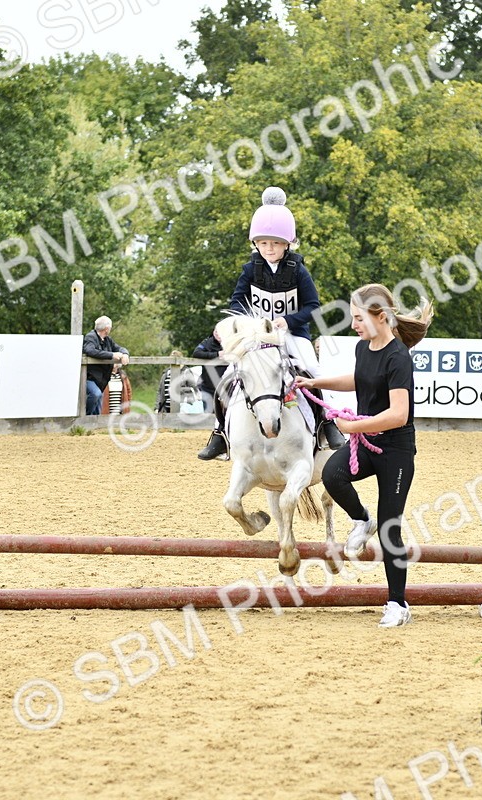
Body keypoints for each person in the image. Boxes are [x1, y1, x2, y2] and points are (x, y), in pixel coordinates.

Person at [294, 284, 433, 628]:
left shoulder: (398, 357)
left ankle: (397, 604)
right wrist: (315, 383)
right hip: (368, 443)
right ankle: (361, 519)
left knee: (390, 530)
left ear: (380, 317)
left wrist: (355, 426)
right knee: (332, 475)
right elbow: (359, 379)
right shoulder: (363, 347)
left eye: (358, 318)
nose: (354, 324)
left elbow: (399, 414)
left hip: (396, 451)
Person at [197, 186, 345, 459]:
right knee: (228, 376)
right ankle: (219, 433)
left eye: (275, 243)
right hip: (259, 337)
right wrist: (246, 324)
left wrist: (287, 321)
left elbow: (313, 307)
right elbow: (237, 302)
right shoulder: (250, 270)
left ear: (288, 243)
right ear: (256, 244)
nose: (269, 248)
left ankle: (328, 423)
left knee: (313, 369)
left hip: (293, 334)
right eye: (264, 243)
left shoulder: (299, 271)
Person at [82, 316, 129, 415]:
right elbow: (90, 350)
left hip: (101, 380)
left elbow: (119, 348)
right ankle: (85, 417)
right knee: (96, 394)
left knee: (98, 408)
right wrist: (111, 355)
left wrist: (125, 354)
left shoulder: (107, 340)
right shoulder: (90, 337)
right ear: (107, 329)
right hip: (89, 377)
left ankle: (92, 422)